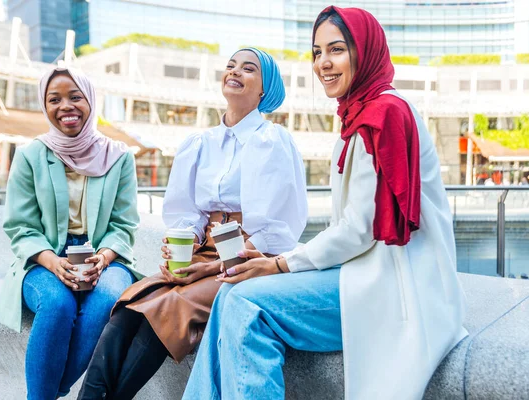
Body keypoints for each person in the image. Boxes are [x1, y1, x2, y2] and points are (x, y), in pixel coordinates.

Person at [183, 7, 468, 400]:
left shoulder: (383, 115)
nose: (323, 64)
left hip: (395, 287)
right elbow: (354, 229)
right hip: (365, 273)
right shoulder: (362, 113)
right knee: (230, 295)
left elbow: (360, 229)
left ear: (363, 51)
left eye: (336, 49)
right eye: (317, 52)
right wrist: (279, 263)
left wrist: (281, 263)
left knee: (247, 305)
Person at [78, 48, 308, 399]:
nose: (235, 71)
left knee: (170, 310)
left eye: (249, 69)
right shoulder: (201, 143)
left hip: (248, 258)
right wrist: (178, 247)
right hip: (201, 252)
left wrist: (215, 265)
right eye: (231, 65)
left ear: (264, 90)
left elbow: (280, 228)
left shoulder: (272, 141)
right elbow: (187, 214)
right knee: (129, 307)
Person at [0, 67, 140, 400]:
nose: (66, 107)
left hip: (103, 257)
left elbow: (124, 224)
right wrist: (51, 261)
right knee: (57, 304)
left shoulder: (118, 157)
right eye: (54, 99)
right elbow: (20, 225)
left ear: (90, 100)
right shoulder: (31, 154)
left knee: (107, 301)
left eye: (75, 97)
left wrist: (103, 259)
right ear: (44, 106)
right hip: (42, 258)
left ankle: (49, 391)